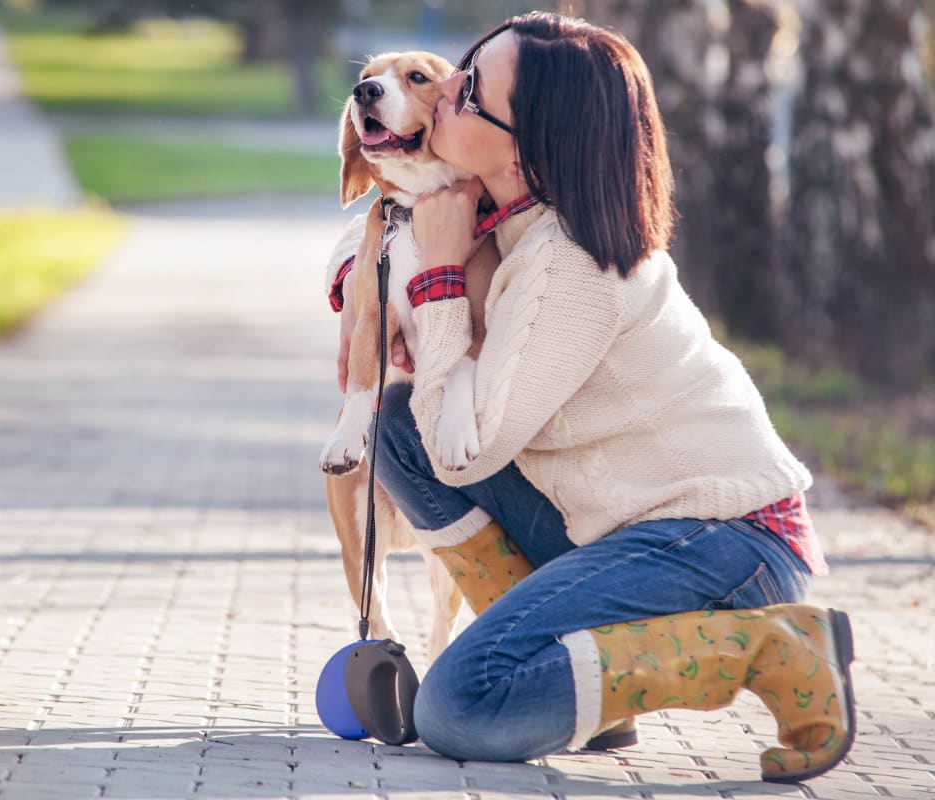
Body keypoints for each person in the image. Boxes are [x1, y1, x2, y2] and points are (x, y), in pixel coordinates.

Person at [326, 12, 854, 784]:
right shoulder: (502, 212)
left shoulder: (569, 267)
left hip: (725, 539)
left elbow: (458, 453)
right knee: (393, 424)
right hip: (619, 526)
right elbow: (388, 222)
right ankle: (587, 683)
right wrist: (354, 277)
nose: (444, 96)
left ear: (530, 137)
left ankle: (776, 646)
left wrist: (438, 282)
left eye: (468, 91)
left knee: (461, 707)